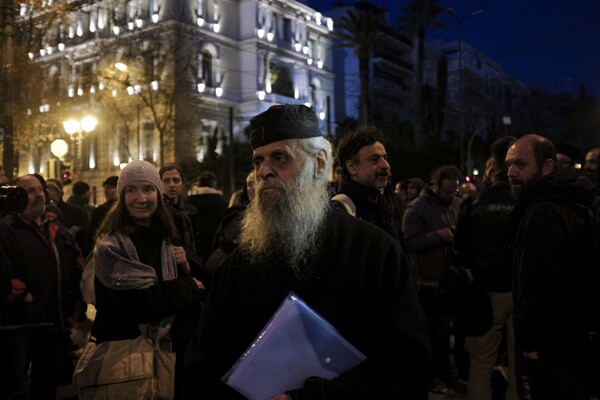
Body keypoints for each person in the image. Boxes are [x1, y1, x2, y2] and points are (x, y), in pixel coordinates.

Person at [183, 104, 431, 399]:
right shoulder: (237, 267)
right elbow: (201, 370)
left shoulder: (374, 253)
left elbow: (409, 372)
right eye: (258, 161)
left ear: (320, 163)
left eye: (280, 157)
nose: (264, 171)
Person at [85, 159, 205, 400]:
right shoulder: (112, 247)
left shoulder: (165, 236)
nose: (141, 198)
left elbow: (183, 280)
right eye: (132, 190)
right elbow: (142, 303)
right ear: (122, 196)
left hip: (171, 354)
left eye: (148, 189)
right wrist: (190, 285)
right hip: (130, 358)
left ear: (158, 194)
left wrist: (187, 266)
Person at [506, 134, 600, 400]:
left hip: (554, 348)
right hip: (582, 339)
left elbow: (536, 284)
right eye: (508, 164)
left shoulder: (543, 212)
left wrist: (531, 343)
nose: (511, 172)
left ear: (547, 167)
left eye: (520, 165)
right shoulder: (579, 199)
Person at [0, 174, 83, 400]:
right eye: (29, 191)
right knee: (14, 388)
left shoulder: (55, 228)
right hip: (18, 327)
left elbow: (74, 263)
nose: (38, 195)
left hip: (52, 323)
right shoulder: (6, 229)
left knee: (46, 386)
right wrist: (15, 291)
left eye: (39, 189)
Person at [453, 136, 519, 400]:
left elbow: (460, 252)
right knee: (519, 367)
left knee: (481, 365)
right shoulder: (526, 201)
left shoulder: (474, 202)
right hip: (518, 290)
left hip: (486, 294)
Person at [402, 164, 462, 394]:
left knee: (449, 331)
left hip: (451, 279)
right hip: (428, 282)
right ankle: (435, 376)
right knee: (436, 334)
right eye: (446, 191)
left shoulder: (454, 203)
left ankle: (449, 372)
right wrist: (439, 236)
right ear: (434, 185)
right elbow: (409, 243)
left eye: (453, 191)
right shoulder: (416, 208)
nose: (451, 196)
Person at [334, 125, 405, 245]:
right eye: (374, 159)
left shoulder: (381, 203)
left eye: (385, 158)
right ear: (351, 167)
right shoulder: (341, 211)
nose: (385, 165)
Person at [187, 171, 229, 265]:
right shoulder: (224, 205)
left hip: (193, 256)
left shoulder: (187, 204)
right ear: (214, 185)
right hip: (217, 256)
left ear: (199, 185)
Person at [46, 178, 92, 257]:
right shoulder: (40, 214)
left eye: (53, 188)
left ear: (60, 193)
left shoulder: (77, 213)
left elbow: (85, 240)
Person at [89, 175, 118, 243]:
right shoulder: (99, 211)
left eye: (110, 187)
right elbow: (92, 235)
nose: (106, 191)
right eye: (105, 188)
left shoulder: (127, 209)